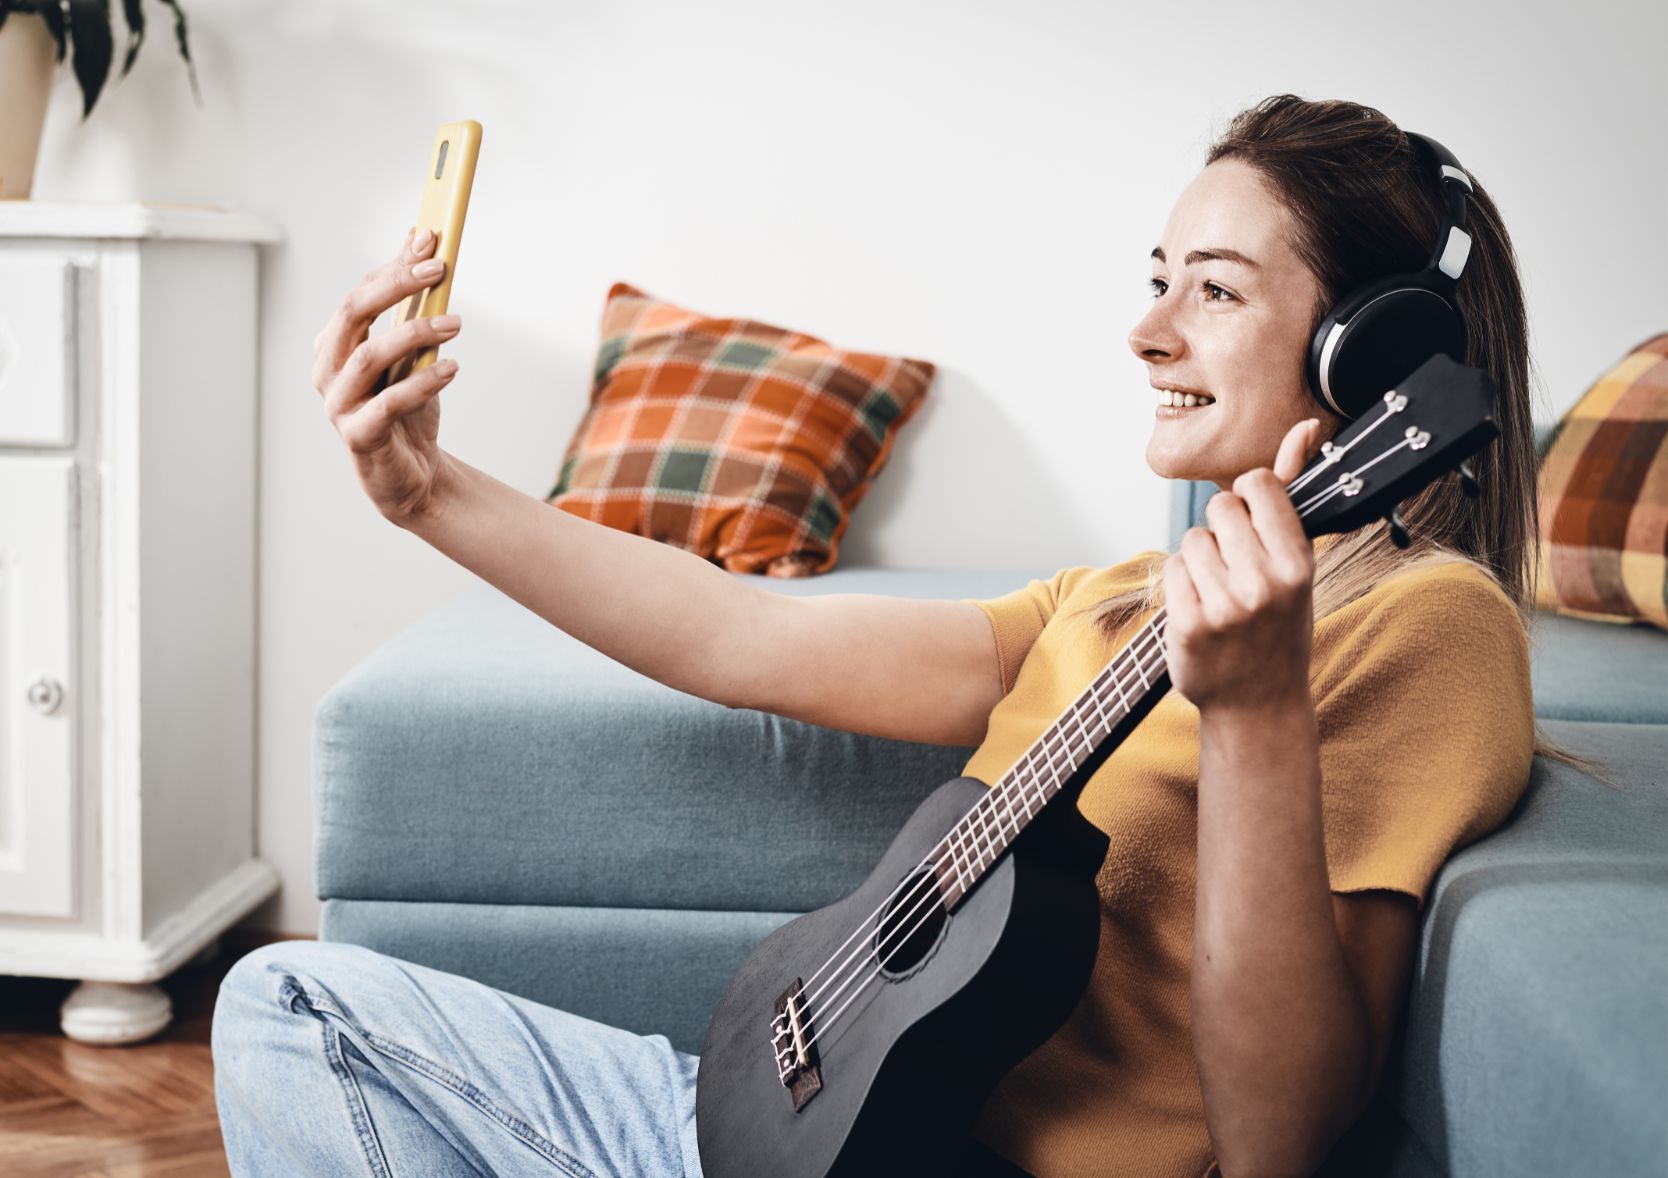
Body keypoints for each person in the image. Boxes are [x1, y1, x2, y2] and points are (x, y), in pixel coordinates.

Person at [214, 94, 1562, 1177]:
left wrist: (1256, 712)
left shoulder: (1428, 624)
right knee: (286, 1006)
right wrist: (428, 494)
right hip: (787, 1119)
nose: (1144, 332)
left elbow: (1277, 1140)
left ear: (1370, 355)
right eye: (1158, 280)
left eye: (1210, 290)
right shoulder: (1117, 598)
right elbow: (738, 632)